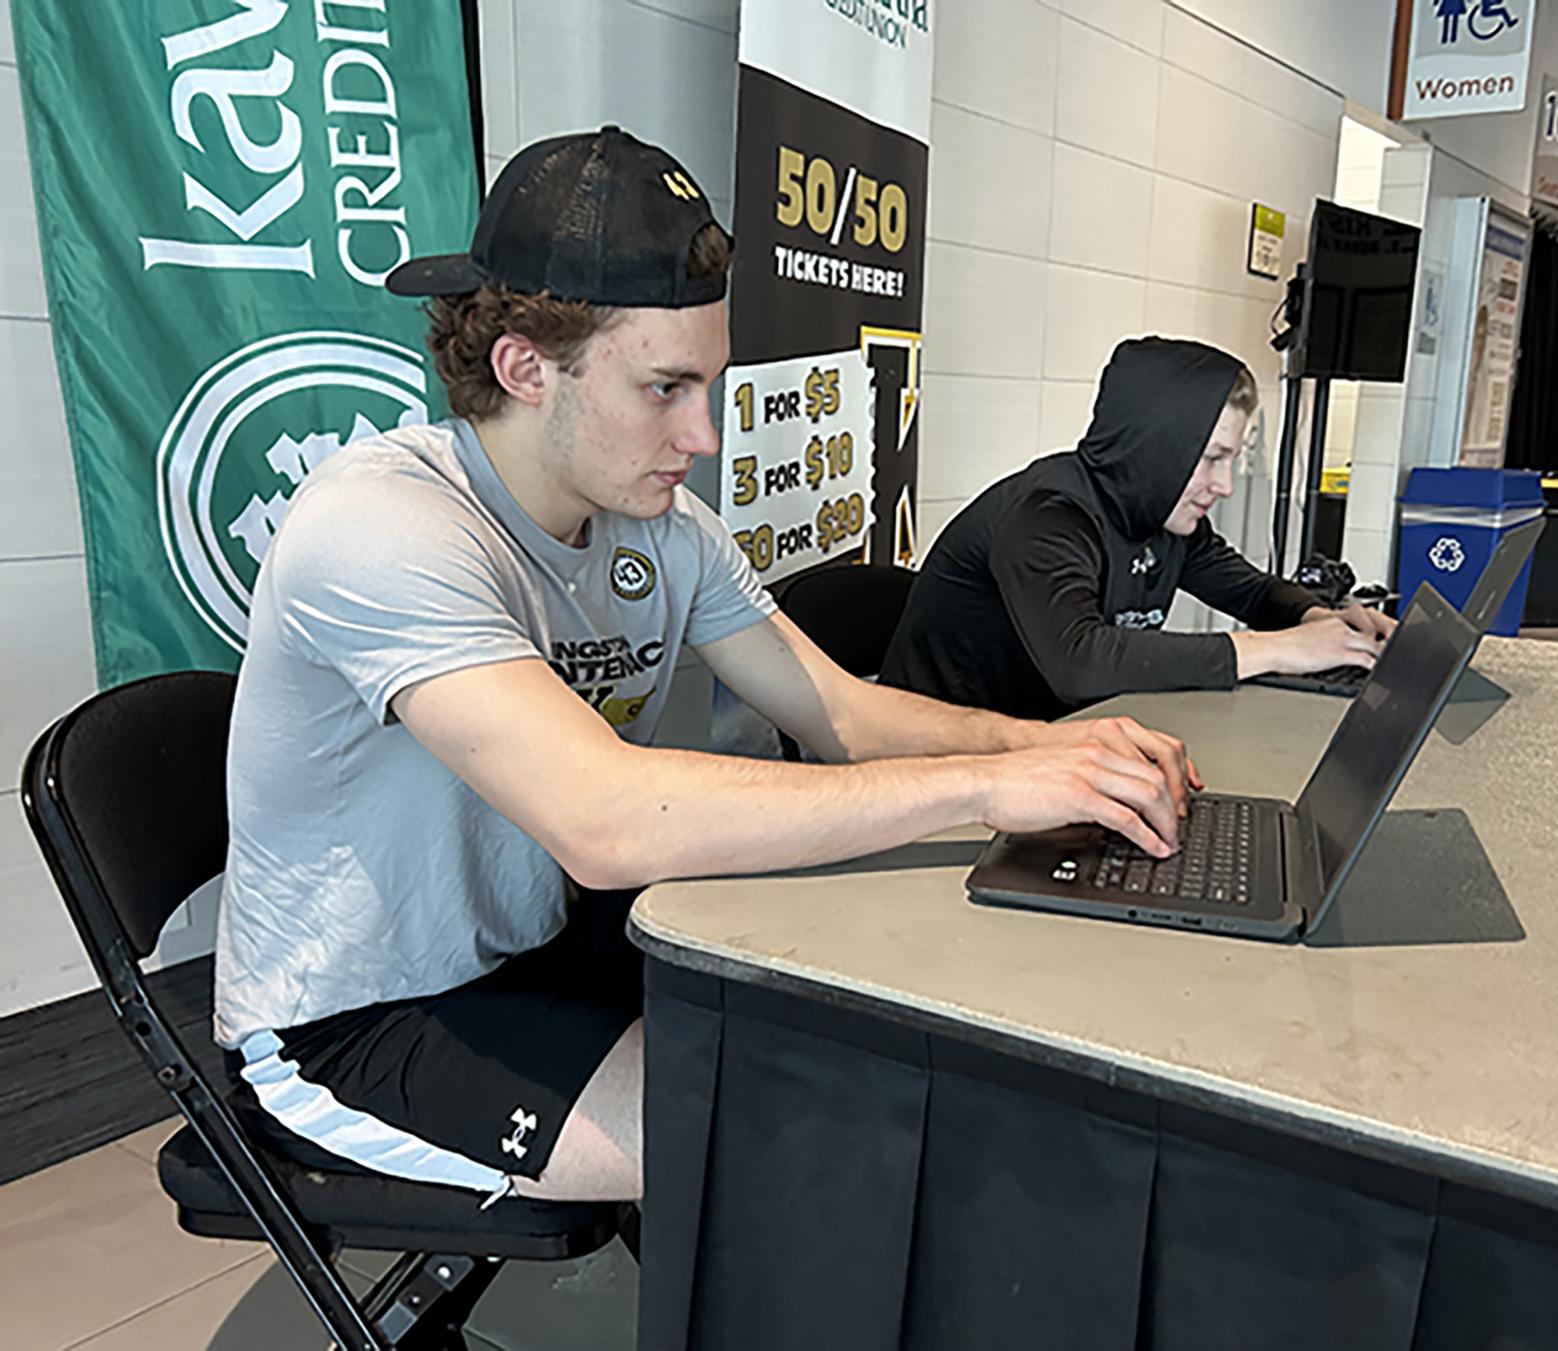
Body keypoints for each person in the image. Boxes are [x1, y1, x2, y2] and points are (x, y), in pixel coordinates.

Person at [213, 128, 1200, 1207]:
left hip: (547, 945)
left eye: (712, 385)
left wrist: (1059, 750)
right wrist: (981, 784)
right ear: (524, 368)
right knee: (799, 1146)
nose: (705, 435)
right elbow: (606, 822)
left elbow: (843, 715)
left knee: (892, 1042)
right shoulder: (380, 526)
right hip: (358, 1020)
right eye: (665, 388)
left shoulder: (662, 525)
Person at [878, 337, 1394, 722]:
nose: (1225, 485)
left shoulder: (1159, 514)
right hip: (934, 756)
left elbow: (1253, 591)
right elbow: (1081, 661)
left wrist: (1328, 623)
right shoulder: (1048, 518)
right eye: (1212, 459)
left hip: (1037, 743)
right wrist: (1280, 649)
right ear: (1157, 449)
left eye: (1230, 460)